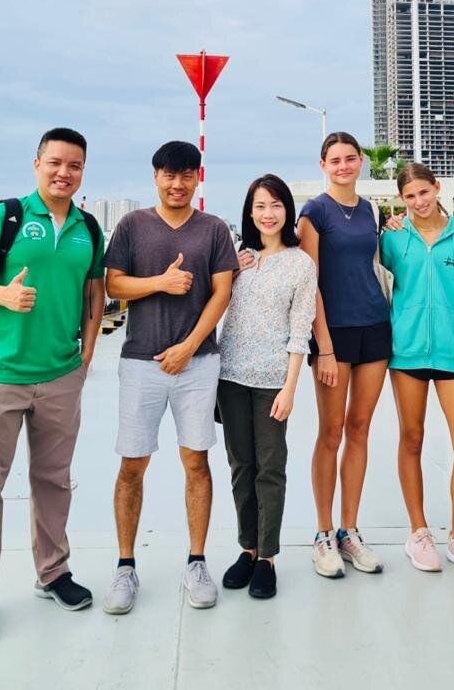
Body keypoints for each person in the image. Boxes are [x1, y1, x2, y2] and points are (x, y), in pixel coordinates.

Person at [0, 127, 105, 639]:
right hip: (0, 372)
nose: (64, 173)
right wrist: (1, 295)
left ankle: (53, 572)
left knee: (53, 481)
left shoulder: (88, 228)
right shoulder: (7, 215)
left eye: (74, 165)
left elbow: (94, 294)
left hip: (60, 374)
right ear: (37, 164)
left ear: (83, 172)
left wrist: (85, 357)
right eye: (55, 162)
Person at [101, 141, 239, 612]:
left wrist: (188, 347)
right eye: (168, 175)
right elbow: (113, 283)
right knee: (131, 465)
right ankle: (125, 566)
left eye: (186, 175)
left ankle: (196, 561)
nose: (177, 184)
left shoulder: (214, 229)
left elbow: (222, 293)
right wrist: (160, 282)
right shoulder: (132, 225)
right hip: (140, 362)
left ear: (197, 178)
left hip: (198, 364)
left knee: (196, 462)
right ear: (155, 177)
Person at [381, 163, 454, 577]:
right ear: (402, 200)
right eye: (410, 197)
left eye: (423, 193)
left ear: (436, 188)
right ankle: (418, 532)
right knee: (411, 438)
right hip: (407, 354)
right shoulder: (393, 238)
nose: (418, 202)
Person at [216, 175, 317, 599]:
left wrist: (290, 388)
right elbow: (213, 305)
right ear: (249, 212)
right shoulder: (238, 258)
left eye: (275, 205)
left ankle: (268, 558)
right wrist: (230, 273)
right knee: (241, 466)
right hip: (230, 377)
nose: (268, 214)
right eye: (260, 206)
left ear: (287, 210)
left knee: (270, 467)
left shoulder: (300, 264)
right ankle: (248, 547)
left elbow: (300, 330)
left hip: (273, 380)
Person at [298, 131, 391, 578]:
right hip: (333, 333)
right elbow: (310, 281)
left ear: (360, 162)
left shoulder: (371, 210)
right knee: (331, 431)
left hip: (375, 326)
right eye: (334, 160)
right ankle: (323, 533)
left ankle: (349, 531)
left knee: (359, 429)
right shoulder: (314, 212)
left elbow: (375, 262)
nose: (343, 166)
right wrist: (325, 347)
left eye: (350, 158)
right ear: (323, 165)